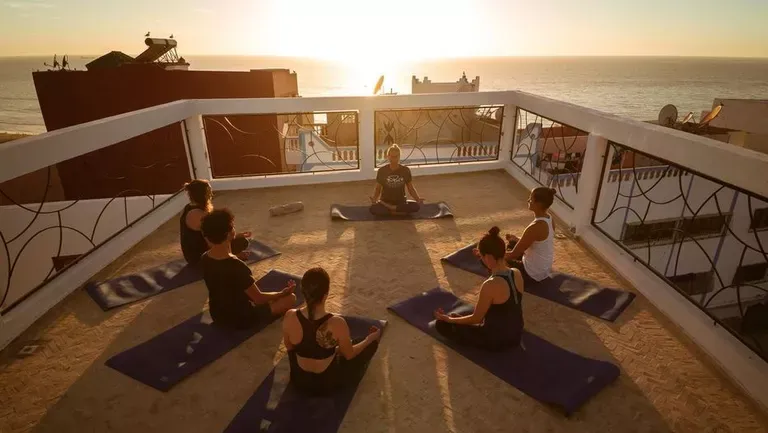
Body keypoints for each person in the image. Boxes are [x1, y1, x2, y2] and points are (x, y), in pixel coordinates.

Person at [282, 267, 382, 395]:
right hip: (327, 385)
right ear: (325, 295)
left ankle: (332, 350)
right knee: (365, 344)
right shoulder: (337, 323)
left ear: (303, 291)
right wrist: (370, 339)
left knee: (329, 347)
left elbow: (289, 348)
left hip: (300, 381)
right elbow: (349, 355)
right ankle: (370, 340)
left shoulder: (290, 316)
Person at [199, 209, 296, 329]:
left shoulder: (204, 258)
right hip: (241, 319)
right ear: (230, 234)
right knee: (290, 299)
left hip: (217, 315)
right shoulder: (236, 266)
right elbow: (258, 299)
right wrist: (281, 294)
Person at [434, 226, 525, 350]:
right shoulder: (516, 273)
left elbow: (476, 319)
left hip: (495, 341)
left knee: (443, 324)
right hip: (516, 336)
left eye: (482, 257)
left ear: (487, 258)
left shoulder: (490, 285)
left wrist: (449, 319)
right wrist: (482, 254)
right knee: (459, 316)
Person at [180, 179, 251, 266]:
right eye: (209, 191)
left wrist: (236, 235)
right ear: (203, 194)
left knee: (242, 241)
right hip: (198, 257)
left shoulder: (192, 207)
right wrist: (234, 257)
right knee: (241, 243)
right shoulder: (196, 214)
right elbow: (213, 242)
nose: (211, 194)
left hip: (204, 247)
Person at [501, 187, 556, 286]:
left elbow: (513, 254)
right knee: (513, 242)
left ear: (538, 204)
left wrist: (493, 254)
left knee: (500, 260)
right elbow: (537, 243)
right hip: (544, 270)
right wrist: (516, 239)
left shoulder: (535, 227)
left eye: (531, 199)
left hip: (532, 274)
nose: (528, 201)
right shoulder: (550, 218)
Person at [369, 144, 424, 216]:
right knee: (373, 209)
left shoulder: (405, 170)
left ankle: (391, 209)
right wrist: (374, 199)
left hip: (400, 201)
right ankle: (397, 211)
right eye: (392, 156)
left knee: (416, 206)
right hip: (386, 201)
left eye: (396, 157)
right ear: (388, 156)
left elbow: (410, 188)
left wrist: (418, 199)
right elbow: (378, 188)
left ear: (399, 157)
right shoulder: (382, 171)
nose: (394, 159)